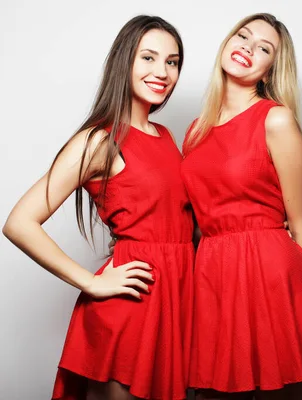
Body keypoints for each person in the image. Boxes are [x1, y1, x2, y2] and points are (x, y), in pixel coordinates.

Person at [3, 15, 194, 400]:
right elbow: (19, 222)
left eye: (172, 62)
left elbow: (179, 219)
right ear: (124, 62)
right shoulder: (99, 141)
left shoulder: (166, 136)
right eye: (149, 58)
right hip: (133, 304)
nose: (163, 72)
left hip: (179, 300)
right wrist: (91, 282)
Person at [181, 13, 302, 400]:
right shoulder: (194, 130)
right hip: (213, 275)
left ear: (270, 69)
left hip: (270, 274)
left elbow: (301, 224)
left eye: (263, 48)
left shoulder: (276, 120)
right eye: (242, 36)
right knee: (214, 391)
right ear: (226, 42)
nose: (247, 48)